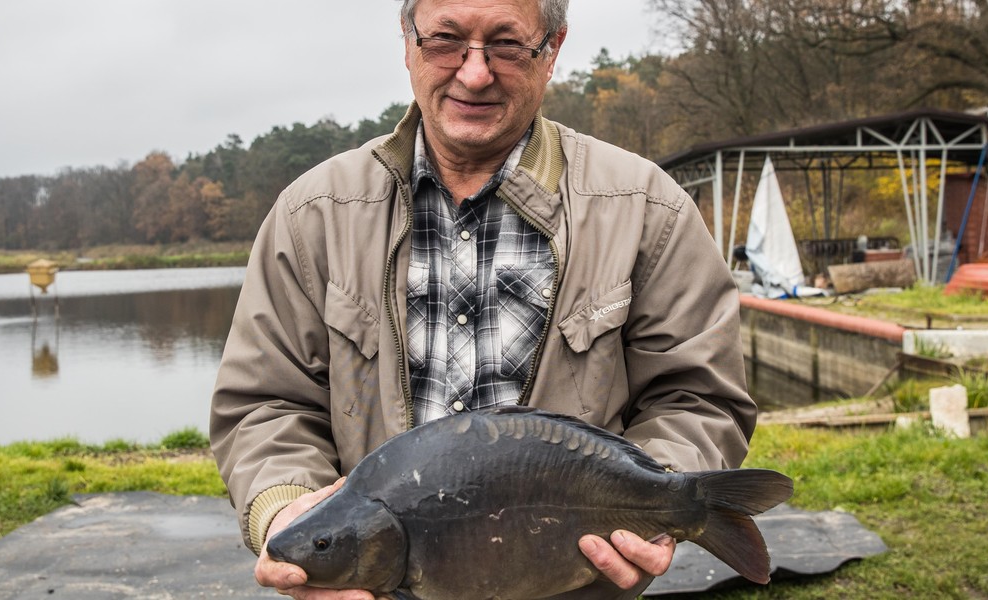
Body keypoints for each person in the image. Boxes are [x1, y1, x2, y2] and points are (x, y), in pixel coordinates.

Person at [210, 0, 757, 597]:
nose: (474, 73)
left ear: (552, 50)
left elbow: (698, 397)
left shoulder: (650, 209)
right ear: (407, 41)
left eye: (506, 44)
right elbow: (266, 405)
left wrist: (649, 502)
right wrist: (293, 514)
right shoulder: (311, 214)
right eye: (445, 40)